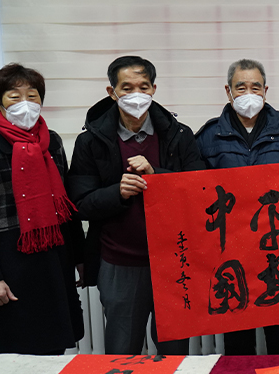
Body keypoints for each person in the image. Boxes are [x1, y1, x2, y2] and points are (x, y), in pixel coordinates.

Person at [68, 56, 205, 355]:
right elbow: (80, 204)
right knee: (122, 354)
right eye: (127, 88)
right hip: (120, 262)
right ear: (112, 92)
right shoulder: (91, 141)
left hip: (174, 260)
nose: (136, 95)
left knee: (174, 355)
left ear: (154, 89)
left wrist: (157, 176)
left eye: (143, 87)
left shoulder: (179, 134)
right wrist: (117, 192)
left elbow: (199, 191)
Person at [196, 58, 279, 355]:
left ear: (266, 90)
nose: (249, 94)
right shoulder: (208, 137)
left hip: (276, 251)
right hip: (230, 253)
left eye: (255, 87)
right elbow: (194, 195)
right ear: (228, 91)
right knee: (237, 340)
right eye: (241, 88)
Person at [0, 63, 84, 354]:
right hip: (10, 262)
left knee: (54, 350)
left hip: (53, 257)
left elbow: (66, 206)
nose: (25, 104)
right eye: (14, 97)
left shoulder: (52, 142)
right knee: (12, 353)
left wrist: (80, 257)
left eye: (32, 96)